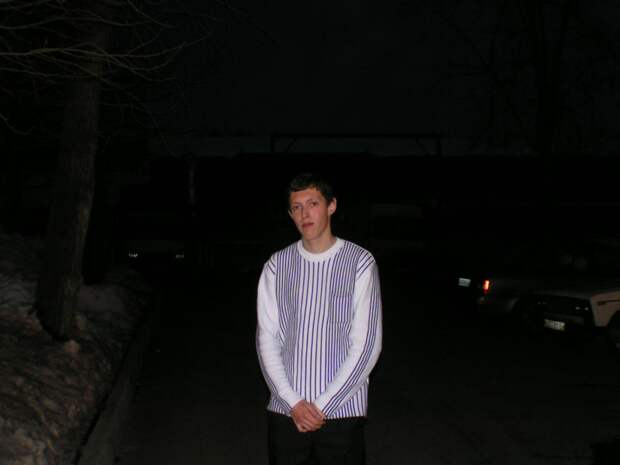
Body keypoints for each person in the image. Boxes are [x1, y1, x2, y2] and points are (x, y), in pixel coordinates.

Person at [256, 172, 383, 465]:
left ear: (331, 206)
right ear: (290, 214)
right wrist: (293, 403)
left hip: (341, 413)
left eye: (313, 204)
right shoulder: (277, 265)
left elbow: (366, 346)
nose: (305, 214)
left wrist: (321, 407)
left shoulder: (359, 262)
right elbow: (267, 339)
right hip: (287, 413)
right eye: (297, 207)